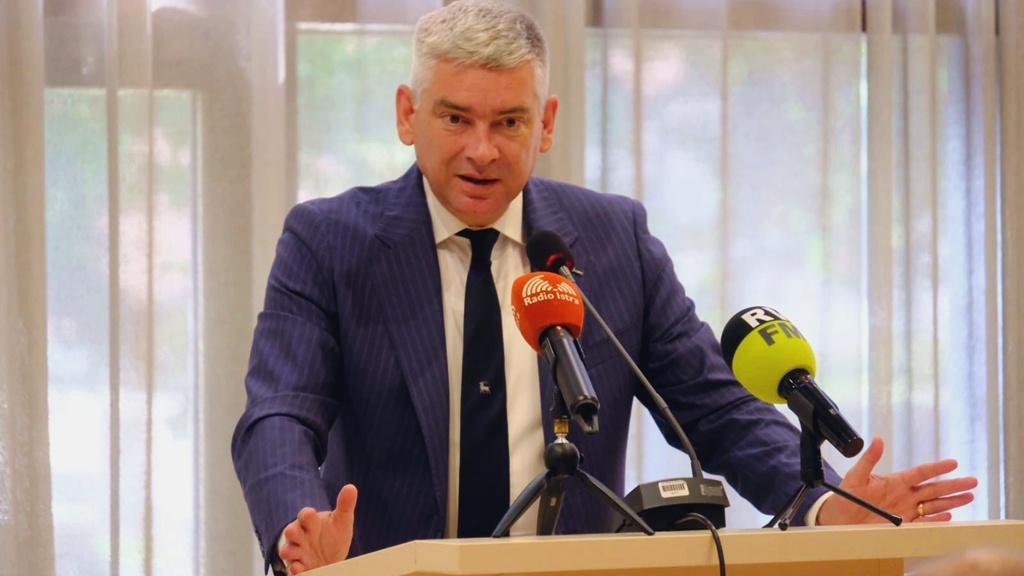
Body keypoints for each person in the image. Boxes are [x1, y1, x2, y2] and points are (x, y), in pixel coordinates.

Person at [230, 1, 978, 574]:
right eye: (455, 118)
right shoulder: (330, 242)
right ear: (407, 114)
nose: (481, 150)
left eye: (509, 122)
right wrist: (301, 528)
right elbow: (278, 414)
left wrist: (820, 503)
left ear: (546, 124)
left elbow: (714, 409)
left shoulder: (613, 239)